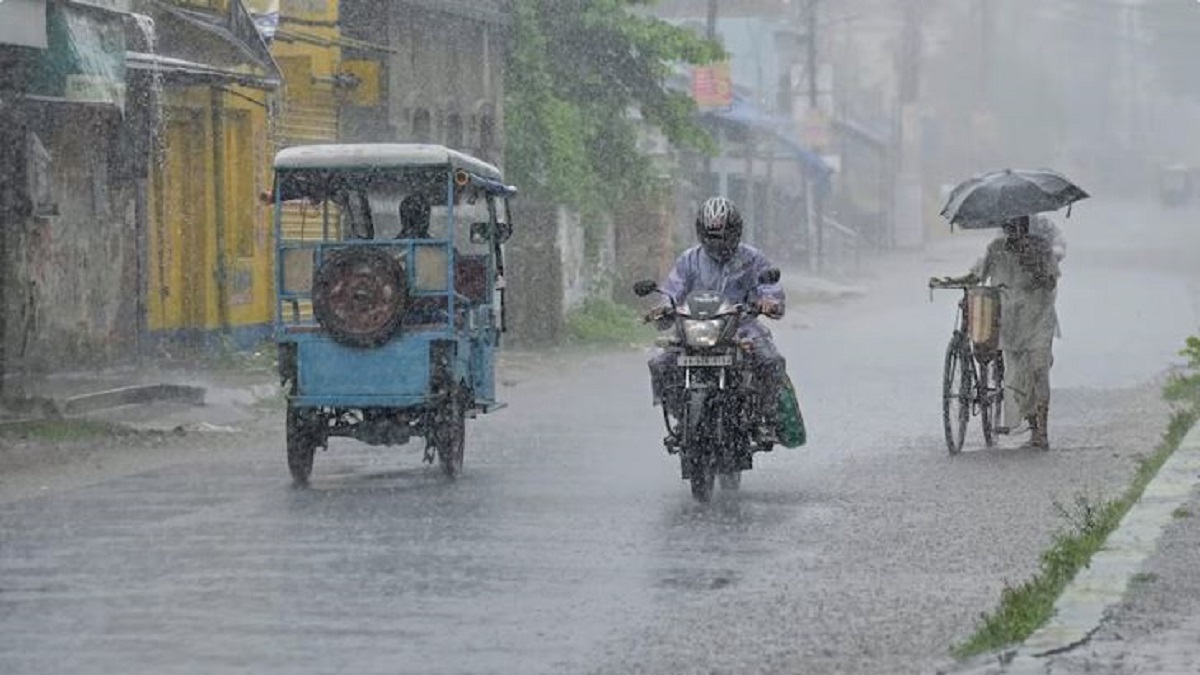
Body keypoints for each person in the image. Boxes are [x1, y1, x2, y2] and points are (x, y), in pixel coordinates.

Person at [646, 197, 786, 444]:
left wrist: (769, 302)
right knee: (661, 363)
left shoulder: (752, 259)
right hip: (696, 327)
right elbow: (672, 290)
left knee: (771, 361)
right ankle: (682, 416)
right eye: (711, 235)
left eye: (723, 235)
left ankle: (765, 418)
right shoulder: (689, 260)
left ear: (736, 231)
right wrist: (662, 309)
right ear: (701, 232)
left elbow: (769, 288)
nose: (718, 242)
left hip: (742, 327)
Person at [935, 213, 1062, 448]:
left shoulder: (1041, 247)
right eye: (1010, 228)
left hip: (1038, 317)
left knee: (1038, 370)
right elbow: (977, 275)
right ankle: (1032, 423)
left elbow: (1051, 281)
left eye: (1019, 227)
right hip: (1010, 321)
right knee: (1016, 376)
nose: (1014, 232)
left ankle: (1041, 431)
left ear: (1026, 226)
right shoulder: (996, 248)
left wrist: (1033, 263)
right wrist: (949, 282)